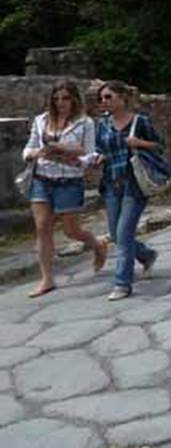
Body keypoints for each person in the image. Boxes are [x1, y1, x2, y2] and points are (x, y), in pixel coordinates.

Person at [20, 80, 107, 298]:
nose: (61, 103)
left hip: (68, 180)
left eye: (65, 98)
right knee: (42, 227)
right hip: (42, 178)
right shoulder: (41, 120)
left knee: (71, 231)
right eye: (56, 99)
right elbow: (28, 148)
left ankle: (98, 245)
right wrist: (34, 153)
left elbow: (89, 153)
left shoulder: (85, 123)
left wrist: (74, 158)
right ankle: (47, 279)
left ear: (74, 99)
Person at [92, 80, 161, 301]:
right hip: (111, 184)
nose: (104, 102)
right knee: (116, 234)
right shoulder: (102, 125)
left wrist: (139, 142)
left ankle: (122, 283)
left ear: (123, 98)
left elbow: (160, 145)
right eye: (101, 98)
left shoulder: (139, 122)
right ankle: (147, 255)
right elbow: (100, 149)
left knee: (123, 234)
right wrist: (99, 157)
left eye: (108, 97)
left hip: (134, 185)